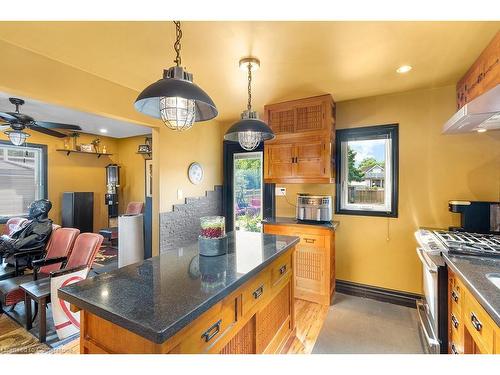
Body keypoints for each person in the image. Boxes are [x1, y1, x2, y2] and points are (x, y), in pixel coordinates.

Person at [0, 199, 53, 268]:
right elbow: (16, 238)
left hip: (22, 258)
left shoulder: (43, 228)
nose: (29, 209)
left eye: (33, 207)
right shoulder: (35, 222)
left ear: (43, 209)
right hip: (11, 255)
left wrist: (5, 238)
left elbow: (17, 245)